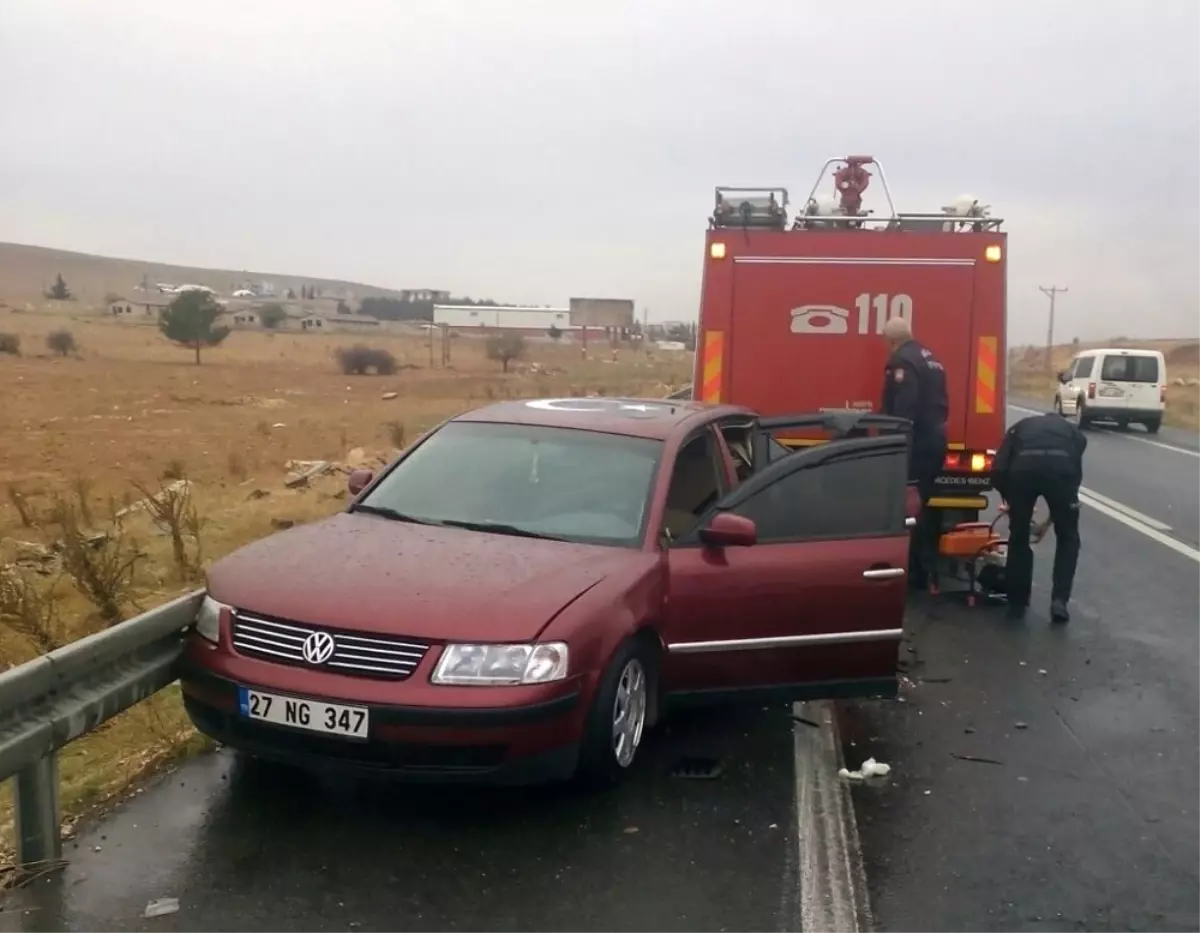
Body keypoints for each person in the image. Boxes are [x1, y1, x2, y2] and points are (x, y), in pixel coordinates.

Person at [990, 412, 1087, 622]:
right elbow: (1074, 474)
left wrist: (1010, 502)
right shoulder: (1072, 431)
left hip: (1023, 472)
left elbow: (997, 469)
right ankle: (1059, 601)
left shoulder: (1019, 427)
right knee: (1068, 535)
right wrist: (1054, 518)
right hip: (1062, 472)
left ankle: (1017, 600)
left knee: (1018, 536)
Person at [880, 315, 949, 589]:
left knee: (909, 507)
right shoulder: (929, 356)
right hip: (935, 439)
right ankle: (924, 569)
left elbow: (903, 412)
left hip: (916, 444)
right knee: (921, 505)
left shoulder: (902, 362)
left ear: (893, 340)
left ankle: (917, 572)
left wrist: (895, 450)